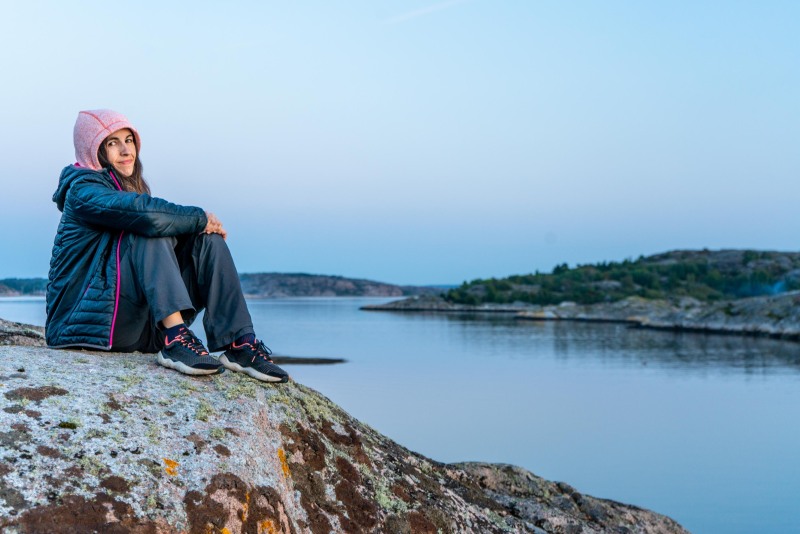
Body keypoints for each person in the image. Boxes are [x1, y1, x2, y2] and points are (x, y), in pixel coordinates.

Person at [45, 109, 289, 383]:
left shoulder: (128, 189)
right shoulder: (82, 190)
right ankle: (175, 339)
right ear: (93, 150)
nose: (127, 150)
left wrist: (201, 231)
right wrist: (200, 218)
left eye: (129, 140)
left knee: (207, 243)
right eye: (112, 143)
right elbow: (147, 216)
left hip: (139, 327)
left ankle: (240, 344)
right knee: (149, 228)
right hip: (84, 328)